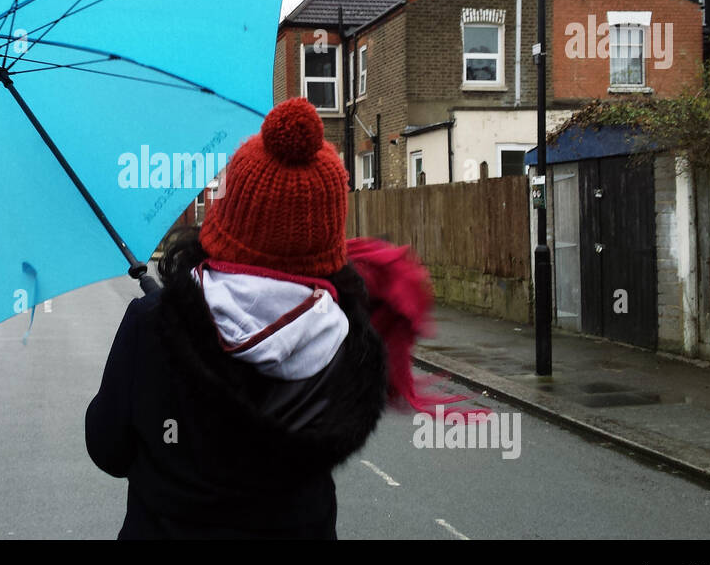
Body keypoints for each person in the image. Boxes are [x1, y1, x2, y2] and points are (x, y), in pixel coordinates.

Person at [85, 97, 442, 539]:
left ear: (229, 215)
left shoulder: (150, 321)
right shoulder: (345, 340)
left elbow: (108, 449)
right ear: (328, 235)